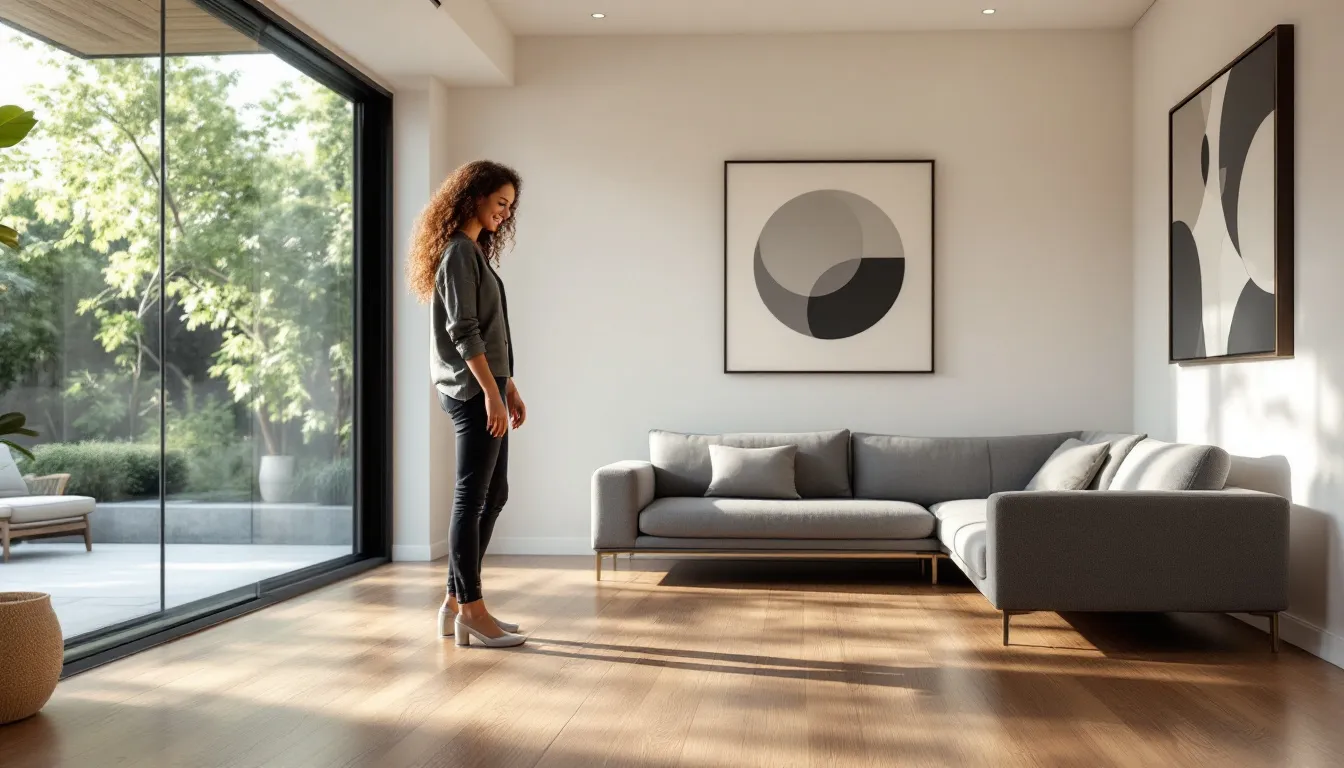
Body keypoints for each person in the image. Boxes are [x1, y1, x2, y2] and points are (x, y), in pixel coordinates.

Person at [407, 160, 527, 648]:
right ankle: (473, 611)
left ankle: (454, 604)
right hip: (472, 389)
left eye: (510, 206)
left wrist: (508, 385)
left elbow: (490, 332)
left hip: (488, 386)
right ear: (474, 196)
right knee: (472, 498)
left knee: (493, 494)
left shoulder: (471, 251)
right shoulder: (458, 252)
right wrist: (491, 393)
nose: (505, 212)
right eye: (500, 202)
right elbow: (464, 332)